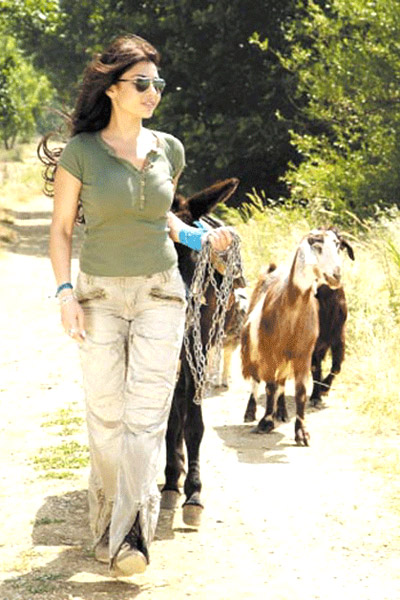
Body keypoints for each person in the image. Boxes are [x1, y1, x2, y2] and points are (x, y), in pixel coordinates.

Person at [41, 34, 232, 578]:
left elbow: (160, 216)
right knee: (107, 419)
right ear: (112, 87)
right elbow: (61, 231)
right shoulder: (82, 153)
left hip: (160, 294)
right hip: (99, 294)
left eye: (158, 84)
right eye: (142, 83)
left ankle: (132, 536)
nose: (153, 93)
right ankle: (108, 521)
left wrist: (198, 238)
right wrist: (65, 293)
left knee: (146, 420)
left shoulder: (169, 148)